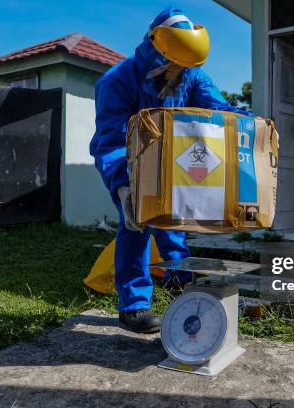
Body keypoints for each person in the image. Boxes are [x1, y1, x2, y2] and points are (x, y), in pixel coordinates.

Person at [90, 6, 250, 333]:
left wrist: (247, 128)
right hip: (133, 167)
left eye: (184, 66)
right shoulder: (117, 81)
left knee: (173, 226)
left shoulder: (191, 74)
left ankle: (182, 282)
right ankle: (133, 305)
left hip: (177, 166)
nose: (178, 71)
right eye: (173, 64)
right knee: (136, 227)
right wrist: (123, 186)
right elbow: (110, 138)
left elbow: (219, 112)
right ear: (157, 50)